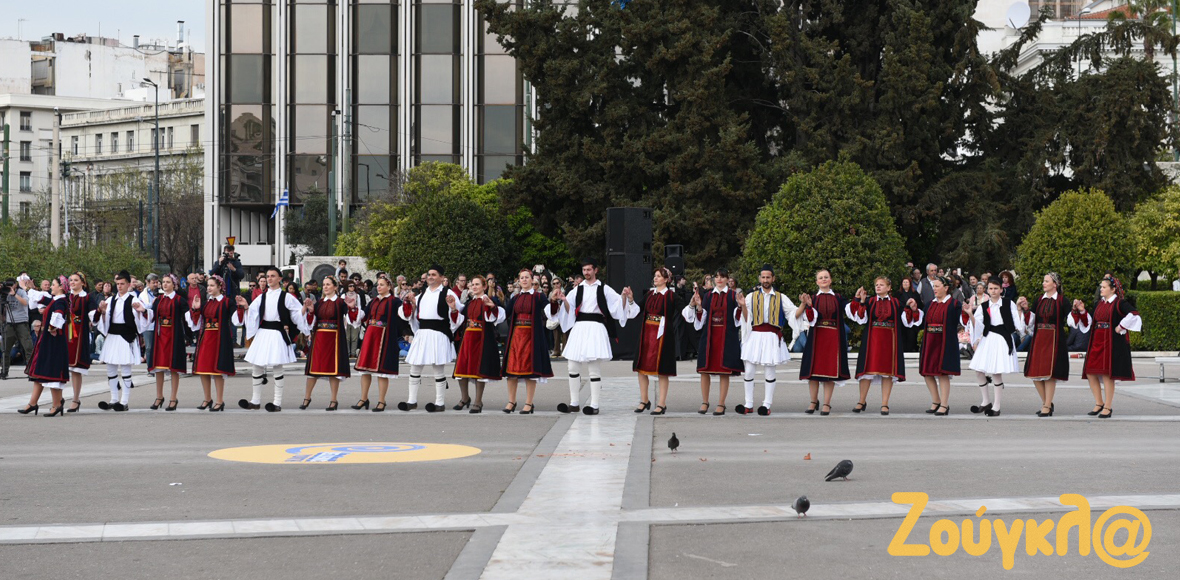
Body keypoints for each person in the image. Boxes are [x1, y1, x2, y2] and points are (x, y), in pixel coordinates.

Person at [551, 258, 629, 415]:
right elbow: (569, 309)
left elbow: (616, 306)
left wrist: (624, 296)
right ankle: (574, 403)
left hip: (596, 328)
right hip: (580, 327)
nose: (586, 272)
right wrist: (564, 300)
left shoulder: (604, 288)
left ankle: (594, 405)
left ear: (595, 270)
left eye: (589, 270)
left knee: (594, 368)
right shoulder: (578, 289)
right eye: (584, 270)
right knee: (572, 366)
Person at [235, 266, 311, 412]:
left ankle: (277, 402)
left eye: (272, 276)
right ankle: (255, 401)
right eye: (268, 276)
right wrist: (245, 306)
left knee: (277, 366)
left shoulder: (286, 297)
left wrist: (304, 309)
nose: (269, 278)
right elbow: (253, 312)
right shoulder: (262, 296)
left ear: (280, 279)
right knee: (257, 365)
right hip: (263, 333)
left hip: (277, 333)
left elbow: (296, 315)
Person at [736, 265, 802, 416]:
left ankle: (766, 404)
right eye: (763, 277)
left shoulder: (781, 297)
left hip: (772, 336)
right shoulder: (751, 296)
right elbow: (746, 318)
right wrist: (742, 306)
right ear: (760, 278)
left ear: (773, 279)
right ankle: (748, 403)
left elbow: (793, 313)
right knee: (749, 371)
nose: (765, 280)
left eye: (768, 277)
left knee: (770, 372)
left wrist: (803, 305)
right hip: (754, 335)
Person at [847, 277, 919, 415]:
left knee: (888, 372)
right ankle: (861, 401)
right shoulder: (870, 301)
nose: (878, 287)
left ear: (889, 288)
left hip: (889, 340)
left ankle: (885, 403)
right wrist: (861, 301)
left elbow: (907, 320)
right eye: (876, 285)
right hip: (872, 339)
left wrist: (911, 307)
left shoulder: (896, 302)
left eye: (881, 285)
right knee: (867, 371)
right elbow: (860, 319)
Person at [1074, 276, 1141, 419]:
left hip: (1110, 341)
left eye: (1104, 287)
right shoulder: (1099, 304)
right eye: (1101, 287)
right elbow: (1090, 322)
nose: (1101, 289)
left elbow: (1134, 314)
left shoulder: (1119, 303)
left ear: (1113, 289)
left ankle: (1108, 406)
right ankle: (1099, 403)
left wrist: (1121, 326)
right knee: (1090, 372)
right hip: (1096, 340)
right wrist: (1081, 311)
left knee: (1106, 374)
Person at [398, 266, 464, 412]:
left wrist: (453, 308)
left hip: (439, 333)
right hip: (423, 333)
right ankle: (412, 401)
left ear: (442, 278)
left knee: (438, 369)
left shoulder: (449, 293)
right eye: (429, 274)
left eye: (434, 275)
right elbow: (410, 316)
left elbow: (457, 315)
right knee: (415, 366)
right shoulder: (421, 295)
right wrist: (411, 304)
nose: (430, 277)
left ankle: (439, 403)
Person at [683, 268, 744, 416]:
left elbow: (738, 319)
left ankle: (721, 403)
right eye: (717, 277)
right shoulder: (708, 296)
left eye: (722, 277)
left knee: (724, 371)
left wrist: (741, 306)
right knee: (705, 370)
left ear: (727, 279)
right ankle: (705, 401)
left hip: (726, 337)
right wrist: (698, 305)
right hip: (709, 336)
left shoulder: (732, 295)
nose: (719, 279)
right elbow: (702, 317)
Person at [623, 267, 682, 415]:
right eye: (654, 276)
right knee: (641, 369)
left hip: (663, 336)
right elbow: (637, 311)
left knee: (662, 371)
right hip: (647, 335)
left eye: (658, 276)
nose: (655, 278)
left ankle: (661, 404)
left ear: (666, 279)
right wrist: (631, 299)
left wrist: (694, 305)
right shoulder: (650, 294)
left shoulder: (671, 296)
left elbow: (685, 311)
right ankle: (644, 400)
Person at [909, 276, 970, 416]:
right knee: (927, 372)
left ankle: (944, 404)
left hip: (945, 341)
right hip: (930, 340)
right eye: (933, 286)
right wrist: (914, 310)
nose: (934, 289)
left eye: (937, 286)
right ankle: (935, 400)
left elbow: (962, 321)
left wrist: (966, 312)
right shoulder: (930, 304)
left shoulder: (954, 304)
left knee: (942, 373)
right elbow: (921, 320)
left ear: (946, 288)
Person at [91, 270, 151, 411]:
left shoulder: (134, 300)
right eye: (117, 284)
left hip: (126, 336)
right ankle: (113, 399)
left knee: (125, 368)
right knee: (110, 368)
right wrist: (102, 312)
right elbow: (100, 318)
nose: (119, 286)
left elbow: (146, 317)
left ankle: (124, 401)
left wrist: (141, 311)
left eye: (122, 283)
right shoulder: (111, 300)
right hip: (112, 335)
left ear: (129, 284)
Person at [501, 268, 558, 414]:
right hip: (516, 336)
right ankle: (511, 401)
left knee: (530, 371)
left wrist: (552, 301)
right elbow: (503, 314)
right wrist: (490, 306)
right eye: (522, 278)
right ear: (519, 281)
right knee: (511, 371)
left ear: (532, 280)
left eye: (527, 277)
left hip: (531, 336)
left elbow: (549, 312)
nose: (524, 280)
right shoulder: (515, 298)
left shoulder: (539, 297)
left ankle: (528, 403)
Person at [795, 269, 851, 416]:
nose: (824, 279)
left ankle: (826, 403)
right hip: (817, 337)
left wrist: (858, 300)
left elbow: (850, 310)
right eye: (821, 277)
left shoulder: (839, 298)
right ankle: (813, 401)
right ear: (817, 282)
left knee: (830, 371)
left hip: (833, 337)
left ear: (830, 280)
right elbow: (811, 319)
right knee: (813, 371)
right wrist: (808, 306)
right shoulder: (813, 298)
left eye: (826, 277)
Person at [968, 278, 1025, 417]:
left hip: (1002, 338)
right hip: (988, 338)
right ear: (987, 290)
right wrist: (970, 315)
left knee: (996, 372)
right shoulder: (983, 306)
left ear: (1001, 289)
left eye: (996, 288)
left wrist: (1019, 309)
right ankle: (985, 401)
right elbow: (978, 325)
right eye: (991, 288)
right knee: (979, 370)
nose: (993, 291)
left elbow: (1017, 323)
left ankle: (996, 406)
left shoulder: (1008, 303)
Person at [301, 276, 358, 411]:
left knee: (334, 371)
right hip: (320, 338)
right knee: (313, 369)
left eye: (328, 284)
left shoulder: (340, 302)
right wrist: (310, 310)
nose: (325, 287)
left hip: (334, 338)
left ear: (335, 287)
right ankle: (307, 397)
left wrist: (352, 307)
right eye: (324, 284)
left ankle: (333, 400)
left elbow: (352, 318)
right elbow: (311, 321)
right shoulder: (319, 303)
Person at [18, 276, 70, 417]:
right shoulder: (55, 300)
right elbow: (41, 298)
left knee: (51, 372)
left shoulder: (61, 302)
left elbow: (59, 314)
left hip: (54, 342)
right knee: (40, 370)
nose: (51, 287)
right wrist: (28, 288)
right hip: (48, 340)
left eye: (53, 285)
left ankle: (57, 404)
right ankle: (33, 403)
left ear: (61, 287)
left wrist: (52, 327)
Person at [352, 276, 407, 411]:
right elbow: (363, 316)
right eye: (378, 285)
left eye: (382, 285)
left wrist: (408, 304)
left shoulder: (395, 301)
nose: (379, 287)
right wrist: (353, 309)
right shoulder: (373, 301)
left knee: (382, 371)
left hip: (385, 337)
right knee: (365, 369)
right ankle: (363, 398)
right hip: (370, 336)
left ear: (389, 287)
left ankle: (381, 401)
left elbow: (404, 315)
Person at [188, 275, 242, 411]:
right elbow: (197, 322)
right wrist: (196, 309)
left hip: (220, 339)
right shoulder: (206, 303)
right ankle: (207, 399)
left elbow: (237, 320)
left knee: (217, 370)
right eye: (208, 286)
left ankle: (219, 400)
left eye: (212, 285)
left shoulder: (227, 302)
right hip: (206, 338)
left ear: (220, 287)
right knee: (203, 370)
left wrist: (241, 307)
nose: (209, 288)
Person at [452, 276, 505, 413]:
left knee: (479, 369)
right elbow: (459, 319)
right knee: (461, 368)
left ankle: (478, 401)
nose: (474, 287)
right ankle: (465, 398)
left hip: (481, 338)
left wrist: (492, 306)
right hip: (468, 337)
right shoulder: (469, 303)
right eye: (472, 285)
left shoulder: (488, 301)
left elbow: (496, 317)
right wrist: (453, 309)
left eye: (477, 284)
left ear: (484, 286)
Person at [1020, 273, 1070, 417]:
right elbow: (1031, 322)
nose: (1043, 283)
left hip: (1054, 339)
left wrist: (1077, 311)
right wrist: (1025, 309)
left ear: (1055, 284)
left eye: (1046, 281)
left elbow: (1072, 320)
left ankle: (1047, 405)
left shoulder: (1061, 301)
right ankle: (1046, 402)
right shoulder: (1039, 300)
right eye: (1043, 281)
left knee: (1050, 375)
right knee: (1034, 373)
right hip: (1039, 339)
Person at [144, 274, 188, 411]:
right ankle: (159, 396)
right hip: (160, 335)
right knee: (159, 367)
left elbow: (188, 318)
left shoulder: (179, 300)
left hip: (174, 336)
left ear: (174, 284)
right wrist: (143, 311)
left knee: (173, 367)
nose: (164, 284)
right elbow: (151, 316)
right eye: (163, 282)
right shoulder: (158, 300)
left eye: (168, 282)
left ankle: (173, 398)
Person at [1, 277, 35, 380]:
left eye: (12, 285)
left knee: (28, 347)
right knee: (5, 349)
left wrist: (14, 294)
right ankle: (4, 371)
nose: (10, 287)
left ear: (16, 285)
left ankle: (31, 371)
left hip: (22, 323)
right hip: (9, 323)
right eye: (8, 286)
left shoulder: (21, 292)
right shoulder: (4, 292)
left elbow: (25, 303)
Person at [139, 273, 160, 365]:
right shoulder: (142, 295)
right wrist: (153, 303)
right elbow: (144, 307)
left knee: (159, 346)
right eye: (153, 282)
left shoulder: (161, 293)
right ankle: (150, 367)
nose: (155, 284)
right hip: (148, 324)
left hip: (159, 323)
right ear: (147, 283)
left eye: (156, 282)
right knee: (149, 347)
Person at [897, 277, 922, 353]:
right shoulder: (898, 294)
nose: (905, 284)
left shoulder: (915, 293)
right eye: (904, 282)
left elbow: (920, 304)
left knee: (913, 334)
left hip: (913, 319)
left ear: (910, 284)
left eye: (907, 282)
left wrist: (913, 305)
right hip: (902, 318)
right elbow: (897, 305)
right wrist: (906, 305)